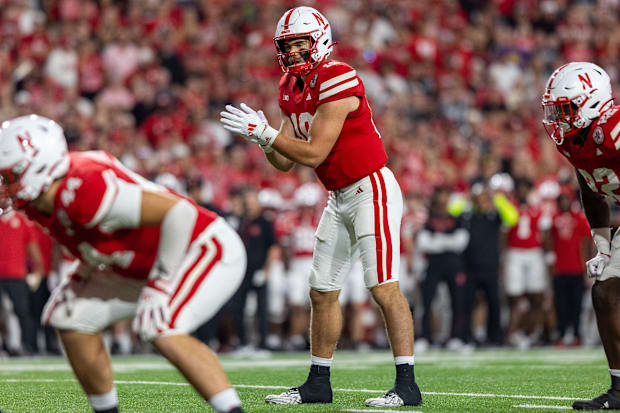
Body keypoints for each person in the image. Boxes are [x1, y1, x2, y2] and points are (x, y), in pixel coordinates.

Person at [219, 6, 421, 408]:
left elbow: (313, 152)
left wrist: (267, 133)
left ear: (320, 41)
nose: (293, 53)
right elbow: (286, 160)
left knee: (383, 287)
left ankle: (407, 384)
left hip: (371, 188)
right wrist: (264, 140)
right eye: (287, 46)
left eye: (299, 43)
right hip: (339, 196)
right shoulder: (290, 86)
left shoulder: (338, 76)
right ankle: (318, 382)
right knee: (321, 290)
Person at [0, 115, 246, 413]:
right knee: (68, 316)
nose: (4, 183)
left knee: (158, 324)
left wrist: (160, 284)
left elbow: (180, 213)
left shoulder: (85, 186)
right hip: (134, 262)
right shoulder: (40, 197)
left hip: (199, 245)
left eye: (9, 175)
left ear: (39, 167)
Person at [541, 61, 620, 410]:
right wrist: (602, 246)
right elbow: (590, 188)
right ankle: (619, 389)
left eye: (563, 109)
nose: (556, 118)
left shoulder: (615, 126)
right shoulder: (574, 139)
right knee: (605, 292)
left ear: (590, 102)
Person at [546, 192, 590, 347]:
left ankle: (577, 335)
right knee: (561, 304)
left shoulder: (579, 218)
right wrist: (550, 263)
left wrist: (586, 267)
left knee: (577, 304)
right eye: (561, 200)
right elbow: (549, 241)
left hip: (577, 268)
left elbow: (586, 242)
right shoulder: (553, 218)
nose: (564, 203)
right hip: (560, 268)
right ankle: (562, 333)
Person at [0, 210, 44, 355]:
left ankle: (27, 345)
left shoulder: (22, 220)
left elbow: (32, 246)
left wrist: (37, 271)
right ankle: (6, 344)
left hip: (16, 274)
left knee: (22, 311)